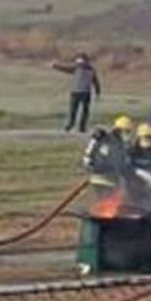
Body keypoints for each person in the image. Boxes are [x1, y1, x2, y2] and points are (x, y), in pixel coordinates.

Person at [76, 122, 132, 275]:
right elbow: (121, 165)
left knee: (101, 208)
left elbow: (89, 159)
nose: (128, 135)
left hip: (96, 179)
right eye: (127, 131)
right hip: (108, 182)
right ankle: (101, 247)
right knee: (107, 211)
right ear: (121, 130)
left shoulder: (103, 140)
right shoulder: (117, 145)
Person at [52, 53, 102, 133]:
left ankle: (79, 126)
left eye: (81, 61)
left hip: (83, 92)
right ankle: (72, 125)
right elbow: (66, 68)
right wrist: (56, 66)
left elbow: (95, 81)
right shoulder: (79, 68)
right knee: (75, 110)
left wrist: (98, 91)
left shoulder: (87, 69)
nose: (80, 63)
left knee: (81, 111)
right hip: (78, 92)